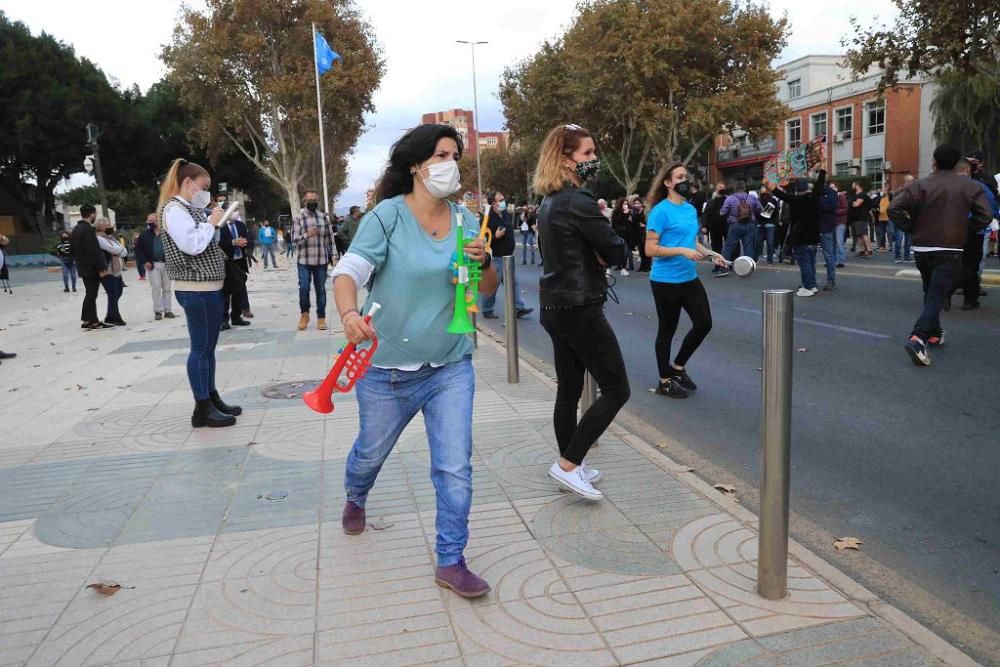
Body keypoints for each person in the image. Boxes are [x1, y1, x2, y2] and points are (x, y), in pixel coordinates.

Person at [330, 123, 498, 597]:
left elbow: (487, 292)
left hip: (450, 365)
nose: (452, 164)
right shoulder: (386, 218)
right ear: (416, 166)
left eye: (456, 155)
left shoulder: (467, 221)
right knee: (369, 454)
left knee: (454, 466)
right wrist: (348, 314)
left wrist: (484, 264)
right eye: (442, 155)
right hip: (385, 370)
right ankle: (355, 495)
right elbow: (350, 272)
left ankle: (451, 559)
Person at [534, 123, 630, 501]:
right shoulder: (578, 201)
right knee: (616, 389)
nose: (594, 160)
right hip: (580, 307)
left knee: (570, 389)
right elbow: (618, 250)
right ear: (566, 159)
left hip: (554, 306)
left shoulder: (550, 201)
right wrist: (606, 222)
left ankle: (572, 464)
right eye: (587, 154)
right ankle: (569, 464)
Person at [158, 158, 241, 426]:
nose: (206, 192)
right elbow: (192, 245)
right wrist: (212, 224)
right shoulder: (173, 210)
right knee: (201, 348)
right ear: (188, 183)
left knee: (209, 348)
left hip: (208, 286)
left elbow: (205, 240)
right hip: (194, 287)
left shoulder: (188, 208)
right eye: (204, 187)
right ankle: (201, 407)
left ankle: (211, 396)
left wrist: (211, 221)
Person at [889, 146, 991, 366]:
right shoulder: (970, 186)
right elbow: (986, 215)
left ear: (934, 161)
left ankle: (935, 332)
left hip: (922, 247)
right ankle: (919, 337)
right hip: (950, 247)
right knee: (936, 294)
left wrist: (910, 227)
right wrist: (965, 229)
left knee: (930, 290)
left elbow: (894, 208)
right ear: (957, 165)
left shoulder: (919, 185)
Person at [645, 162, 726, 399]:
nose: (685, 181)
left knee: (704, 324)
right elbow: (650, 249)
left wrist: (712, 254)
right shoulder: (660, 211)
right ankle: (664, 381)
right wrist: (680, 250)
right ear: (668, 183)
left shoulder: (690, 210)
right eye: (679, 177)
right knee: (667, 331)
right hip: (665, 281)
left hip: (688, 278)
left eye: (686, 176)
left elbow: (691, 242)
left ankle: (678, 368)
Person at [771, 172, 827, 297]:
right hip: (813, 236)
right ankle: (812, 285)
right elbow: (819, 184)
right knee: (811, 262)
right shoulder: (814, 197)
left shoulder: (795, 200)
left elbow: (779, 194)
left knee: (805, 263)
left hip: (801, 236)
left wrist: (768, 184)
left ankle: (808, 287)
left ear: (797, 189)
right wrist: (822, 172)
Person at [954, 159, 999, 310]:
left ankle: (946, 290)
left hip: (949, 230)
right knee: (971, 265)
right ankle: (970, 299)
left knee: (954, 262)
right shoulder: (979, 186)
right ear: (968, 171)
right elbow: (991, 207)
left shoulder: (946, 186)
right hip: (974, 230)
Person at [480, 190, 532, 319]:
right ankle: (487, 309)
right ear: (494, 204)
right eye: (501, 200)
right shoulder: (487, 218)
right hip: (496, 257)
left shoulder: (504, 215)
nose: (504, 202)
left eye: (503, 199)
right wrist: (495, 236)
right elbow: (483, 238)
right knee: (493, 284)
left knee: (513, 283)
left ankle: (518, 308)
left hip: (508, 257)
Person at [292, 189, 335, 331]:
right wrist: (307, 235)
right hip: (304, 260)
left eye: (314, 200)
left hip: (321, 260)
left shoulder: (324, 218)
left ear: (318, 201)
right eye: (309, 200)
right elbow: (294, 240)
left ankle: (321, 318)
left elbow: (330, 239)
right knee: (304, 288)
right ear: (304, 201)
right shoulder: (298, 218)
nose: (312, 203)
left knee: (321, 290)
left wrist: (333, 256)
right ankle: (305, 315)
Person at [71, 204, 112, 330]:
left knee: (90, 293)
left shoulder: (76, 228)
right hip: (91, 268)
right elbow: (93, 250)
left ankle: (87, 319)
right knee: (92, 294)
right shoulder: (88, 229)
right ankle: (93, 321)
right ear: (92, 214)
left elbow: (73, 249)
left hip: (82, 266)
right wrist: (102, 268)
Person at [218, 198, 252, 330]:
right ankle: (223, 320)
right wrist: (233, 242)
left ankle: (236, 317)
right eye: (233, 210)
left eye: (237, 210)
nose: (235, 213)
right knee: (226, 292)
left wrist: (245, 243)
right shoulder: (220, 226)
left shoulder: (241, 225)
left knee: (240, 290)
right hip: (227, 262)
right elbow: (217, 243)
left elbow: (249, 239)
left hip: (240, 261)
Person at [135, 212, 176, 320]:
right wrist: (145, 261)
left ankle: (168, 310)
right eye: (148, 221)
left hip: (166, 264)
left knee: (167, 288)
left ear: (158, 221)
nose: (149, 223)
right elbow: (139, 250)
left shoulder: (167, 233)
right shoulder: (144, 235)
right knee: (156, 288)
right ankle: (158, 311)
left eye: (151, 221)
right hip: (153, 264)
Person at [719, 180, 761, 265]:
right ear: (744, 188)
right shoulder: (752, 198)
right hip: (749, 224)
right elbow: (760, 209)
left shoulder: (730, 198)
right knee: (748, 247)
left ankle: (724, 267)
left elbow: (722, 212)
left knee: (729, 247)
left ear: (735, 188)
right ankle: (748, 267)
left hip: (735, 225)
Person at [95, 219, 128, 326]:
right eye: (107, 225)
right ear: (100, 227)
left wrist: (119, 249)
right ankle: (114, 317)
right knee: (113, 293)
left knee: (118, 292)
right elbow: (113, 250)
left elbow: (124, 252)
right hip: (108, 271)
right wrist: (120, 249)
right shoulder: (99, 238)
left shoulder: (111, 238)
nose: (110, 226)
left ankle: (110, 315)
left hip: (117, 271)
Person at [817, 179, 840, 290]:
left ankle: (831, 279)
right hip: (816, 227)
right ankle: (809, 281)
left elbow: (829, 207)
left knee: (828, 254)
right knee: (810, 255)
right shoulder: (816, 194)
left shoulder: (831, 194)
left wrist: (819, 200)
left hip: (826, 227)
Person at [705, 183, 729, 275]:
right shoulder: (711, 201)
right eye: (720, 187)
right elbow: (706, 214)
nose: (721, 189)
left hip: (726, 226)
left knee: (728, 247)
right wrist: (704, 226)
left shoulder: (728, 200)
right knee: (715, 247)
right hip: (714, 227)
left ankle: (726, 264)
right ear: (716, 189)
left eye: (723, 188)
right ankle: (717, 265)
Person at [892, 175, 915, 263]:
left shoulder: (914, 192)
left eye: (912, 181)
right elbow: (895, 206)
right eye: (909, 181)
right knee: (899, 238)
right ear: (905, 182)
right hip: (900, 219)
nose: (911, 183)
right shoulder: (899, 192)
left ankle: (907, 256)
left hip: (910, 219)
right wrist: (905, 213)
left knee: (908, 239)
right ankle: (897, 257)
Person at [849, 181, 873, 258]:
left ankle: (869, 250)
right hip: (855, 217)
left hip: (862, 217)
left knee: (864, 234)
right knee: (858, 235)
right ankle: (861, 250)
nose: (851, 186)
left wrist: (850, 202)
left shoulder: (862, 195)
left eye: (853, 184)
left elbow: (857, 204)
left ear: (857, 185)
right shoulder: (854, 195)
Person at [757, 186, 779, 265]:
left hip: (769, 223)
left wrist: (760, 214)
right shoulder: (758, 200)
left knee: (769, 243)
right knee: (759, 242)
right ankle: (758, 257)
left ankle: (769, 260)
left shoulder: (772, 200)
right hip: (763, 223)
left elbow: (767, 214)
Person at [611, 197, 632, 275]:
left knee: (625, 251)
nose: (626, 206)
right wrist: (624, 214)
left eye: (627, 204)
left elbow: (629, 223)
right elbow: (616, 222)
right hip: (619, 234)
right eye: (624, 204)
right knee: (620, 251)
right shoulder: (616, 212)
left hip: (626, 234)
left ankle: (623, 267)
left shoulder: (629, 212)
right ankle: (620, 266)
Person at [834, 182, 849, 267]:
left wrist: (835, 212)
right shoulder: (831, 197)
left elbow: (846, 208)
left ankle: (841, 260)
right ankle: (834, 260)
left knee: (839, 242)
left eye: (833, 187)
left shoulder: (840, 196)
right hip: (833, 222)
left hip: (840, 221)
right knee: (834, 242)